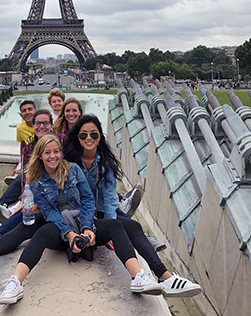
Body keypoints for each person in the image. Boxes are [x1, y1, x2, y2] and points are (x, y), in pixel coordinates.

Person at [0, 135, 165, 304]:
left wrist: (87, 228)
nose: (53, 156)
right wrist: (69, 234)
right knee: (42, 232)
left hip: (84, 223)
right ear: (40, 155)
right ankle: (15, 282)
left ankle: (138, 277)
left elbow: (88, 200)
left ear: (61, 153)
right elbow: (50, 213)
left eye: (56, 151)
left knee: (115, 225)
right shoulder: (37, 183)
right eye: (47, 152)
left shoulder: (74, 170)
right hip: (62, 230)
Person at [62, 114, 202, 298]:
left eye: (94, 135)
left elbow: (110, 199)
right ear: (77, 137)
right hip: (77, 217)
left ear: (100, 138)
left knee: (132, 225)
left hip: (98, 213)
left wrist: (109, 221)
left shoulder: (105, 163)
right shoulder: (68, 162)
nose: (89, 139)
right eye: (83, 135)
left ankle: (164, 277)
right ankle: (155, 274)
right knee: (120, 225)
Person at [0, 109, 61, 247]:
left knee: (30, 212)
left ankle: (1, 221)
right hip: (39, 190)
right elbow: (27, 177)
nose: (41, 126)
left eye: (45, 123)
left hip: (58, 191)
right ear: (32, 126)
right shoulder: (28, 149)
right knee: (27, 208)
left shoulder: (61, 140)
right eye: (38, 123)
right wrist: (24, 199)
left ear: (51, 125)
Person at [0, 100, 37, 228]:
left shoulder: (47, 126)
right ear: (20, 115)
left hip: (42, 165)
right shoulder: (21, 127)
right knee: (22, 177)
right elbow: (23, 145)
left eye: (30, 109)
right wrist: (22, 164)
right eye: (24, 110)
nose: (27, 112)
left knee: (23, 179)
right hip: (33, 164)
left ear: (35, 111)